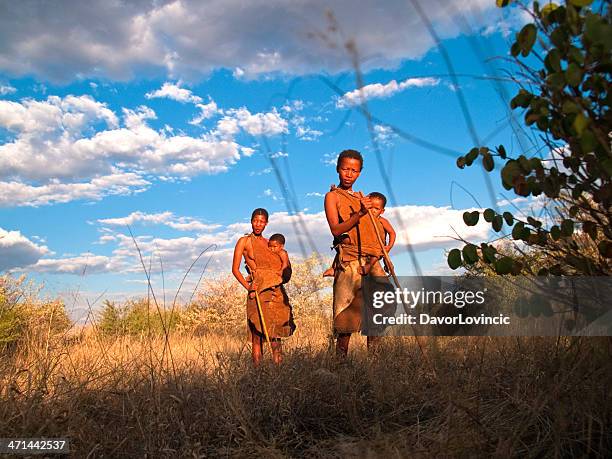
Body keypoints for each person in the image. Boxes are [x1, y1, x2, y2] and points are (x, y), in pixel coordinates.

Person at [324, 149, 391, 356]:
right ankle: (341, 372)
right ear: (337, 169)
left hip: (372, 263)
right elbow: (336, 229)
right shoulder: (332, 196)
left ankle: (375, 368)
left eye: (354, 170)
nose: (349, 174)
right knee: (345, 322)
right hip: (350, 262)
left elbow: (377, 229)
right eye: (345, 169)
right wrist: (360, 213)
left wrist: (383, 254)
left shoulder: (365, 198)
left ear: (360, 172)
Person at [232, 209, 295, 366]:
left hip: (275, 291)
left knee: (275, 333)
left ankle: (277, 374)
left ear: (266, 223)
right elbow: (235, 269)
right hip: (257, 292)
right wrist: (249, 288)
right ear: (251, 220)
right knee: (256, 335)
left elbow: (282, 266)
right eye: (255, 220)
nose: (258, 224)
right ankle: (257, 376)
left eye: (261, 221)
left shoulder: (270, 244)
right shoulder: (244, 241)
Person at [323, 191, 396, 277]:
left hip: (377, 246)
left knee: (376, 255)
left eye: (376, 209)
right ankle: (334, 268)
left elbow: (392, 233)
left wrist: (389, 246)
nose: (372, 211)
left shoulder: (382, 221)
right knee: (343, 244)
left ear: (382, 211)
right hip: (362, 245)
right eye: (371, 207)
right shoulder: (364, 217)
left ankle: (368, 266)